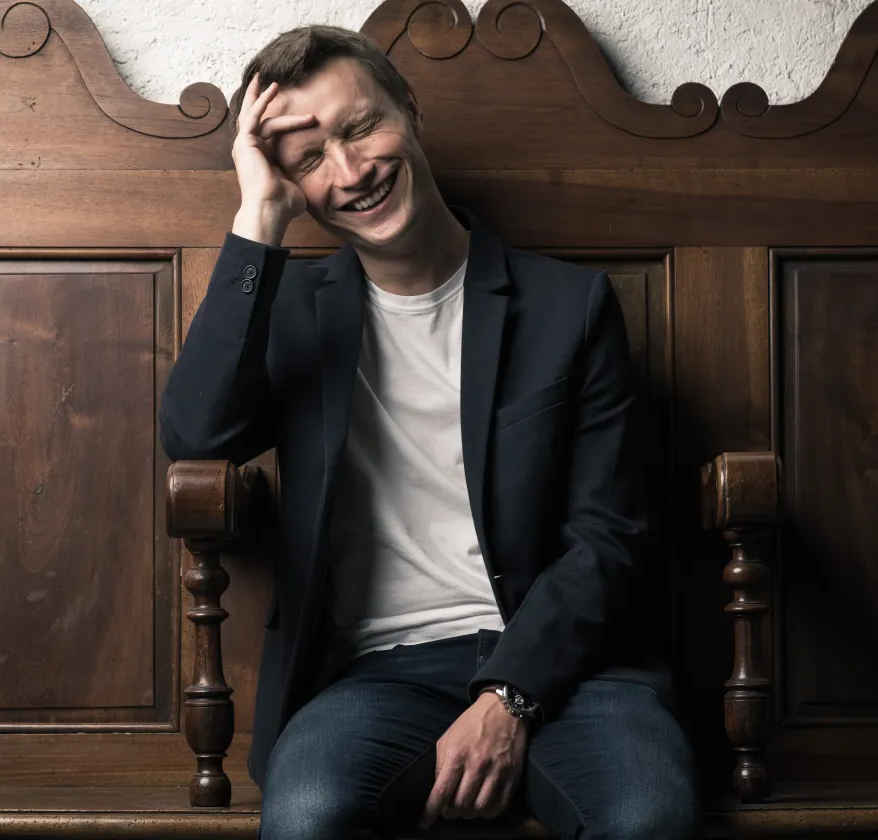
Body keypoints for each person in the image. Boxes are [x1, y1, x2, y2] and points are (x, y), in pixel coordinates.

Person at [159, 23, 699, 840]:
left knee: (648, 817)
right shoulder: (293, 315)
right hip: (381, 677)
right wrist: (257, 222)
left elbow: (610, 537)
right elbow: (197, 432)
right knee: (304, 817)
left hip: (577, 668)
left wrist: (508, 695)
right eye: (308, 161)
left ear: (408, 109)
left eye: (359, 128)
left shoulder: (568, 308)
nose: (351, 173)